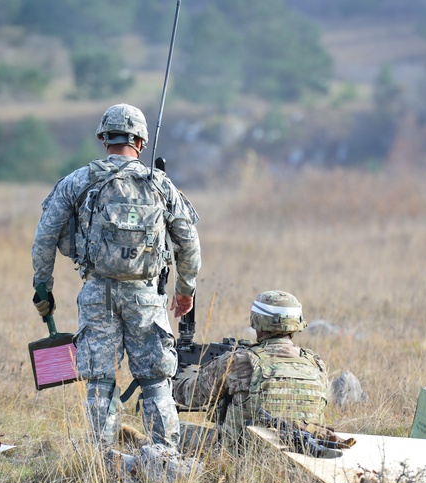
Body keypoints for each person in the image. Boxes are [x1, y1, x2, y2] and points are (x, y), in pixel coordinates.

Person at [31, 103, 200, 450]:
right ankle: (164, 459)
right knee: (155, 382)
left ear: (103, 138)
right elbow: (189, 241)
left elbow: (45, 237)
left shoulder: (78, 181)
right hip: (146, 297)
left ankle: (101, 462)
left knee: (99, 383)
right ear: (141, 141)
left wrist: (42, 287)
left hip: (98, 295)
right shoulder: (161, 185)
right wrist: (185, 291)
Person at [173, 290, 329, 444]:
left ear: (256, 321)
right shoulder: (316, 364)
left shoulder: (239, 361)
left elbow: (189, 395)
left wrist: (168, 380)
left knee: (171, 429)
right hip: (303, 450)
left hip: (239, 452)